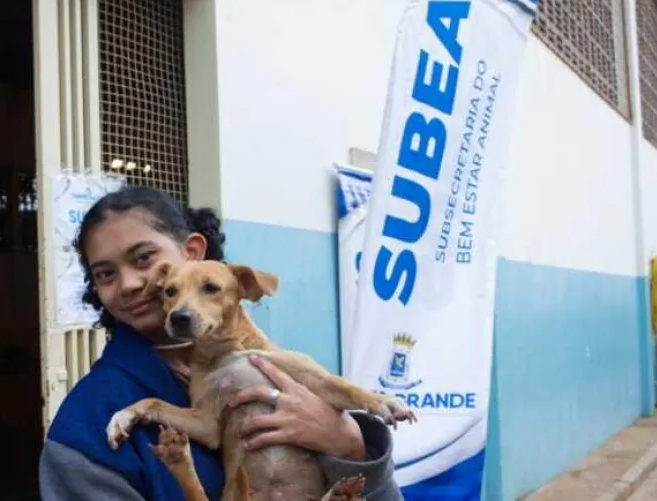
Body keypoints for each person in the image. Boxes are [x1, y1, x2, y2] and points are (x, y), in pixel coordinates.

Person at [38, 187, 402, 500]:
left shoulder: (275, 370)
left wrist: (351, 446)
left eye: (144, 258)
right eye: (105, 274)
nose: (132, 283)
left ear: (195, 252)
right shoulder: (86, 424)